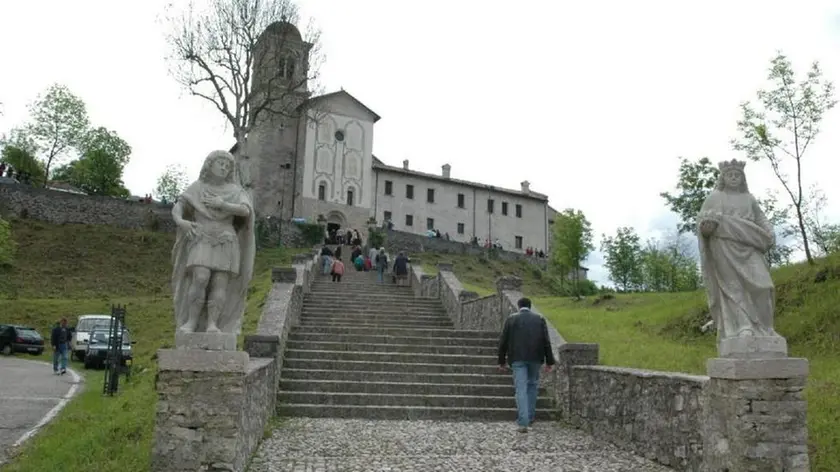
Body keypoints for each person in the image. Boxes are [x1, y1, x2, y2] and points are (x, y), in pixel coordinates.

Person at [497, 297, 555, 433]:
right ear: (530, 306)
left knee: (520, 388)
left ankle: (523, 422)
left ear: (519, 306)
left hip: (517, 359)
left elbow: (503, 342)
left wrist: (501, 361)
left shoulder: (511, 319)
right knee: (532, 385)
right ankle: (530, 416)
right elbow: (546, 341)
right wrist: (549, 361)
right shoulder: (539, 319)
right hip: (536, 358)